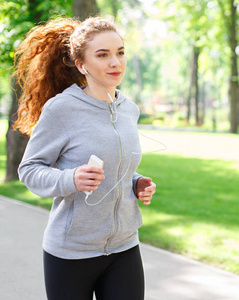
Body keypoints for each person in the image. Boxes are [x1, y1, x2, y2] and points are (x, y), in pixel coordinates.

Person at [14, 16, 156, 300]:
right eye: (102, 55)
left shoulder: (129, 109)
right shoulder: (61, 109)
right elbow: (29, 169)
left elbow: (117, 163)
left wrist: (136, 182)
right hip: (70, 252)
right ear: (81, 64)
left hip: (124, 247)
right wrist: (71, 178)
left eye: (120, 52)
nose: (115, 62)